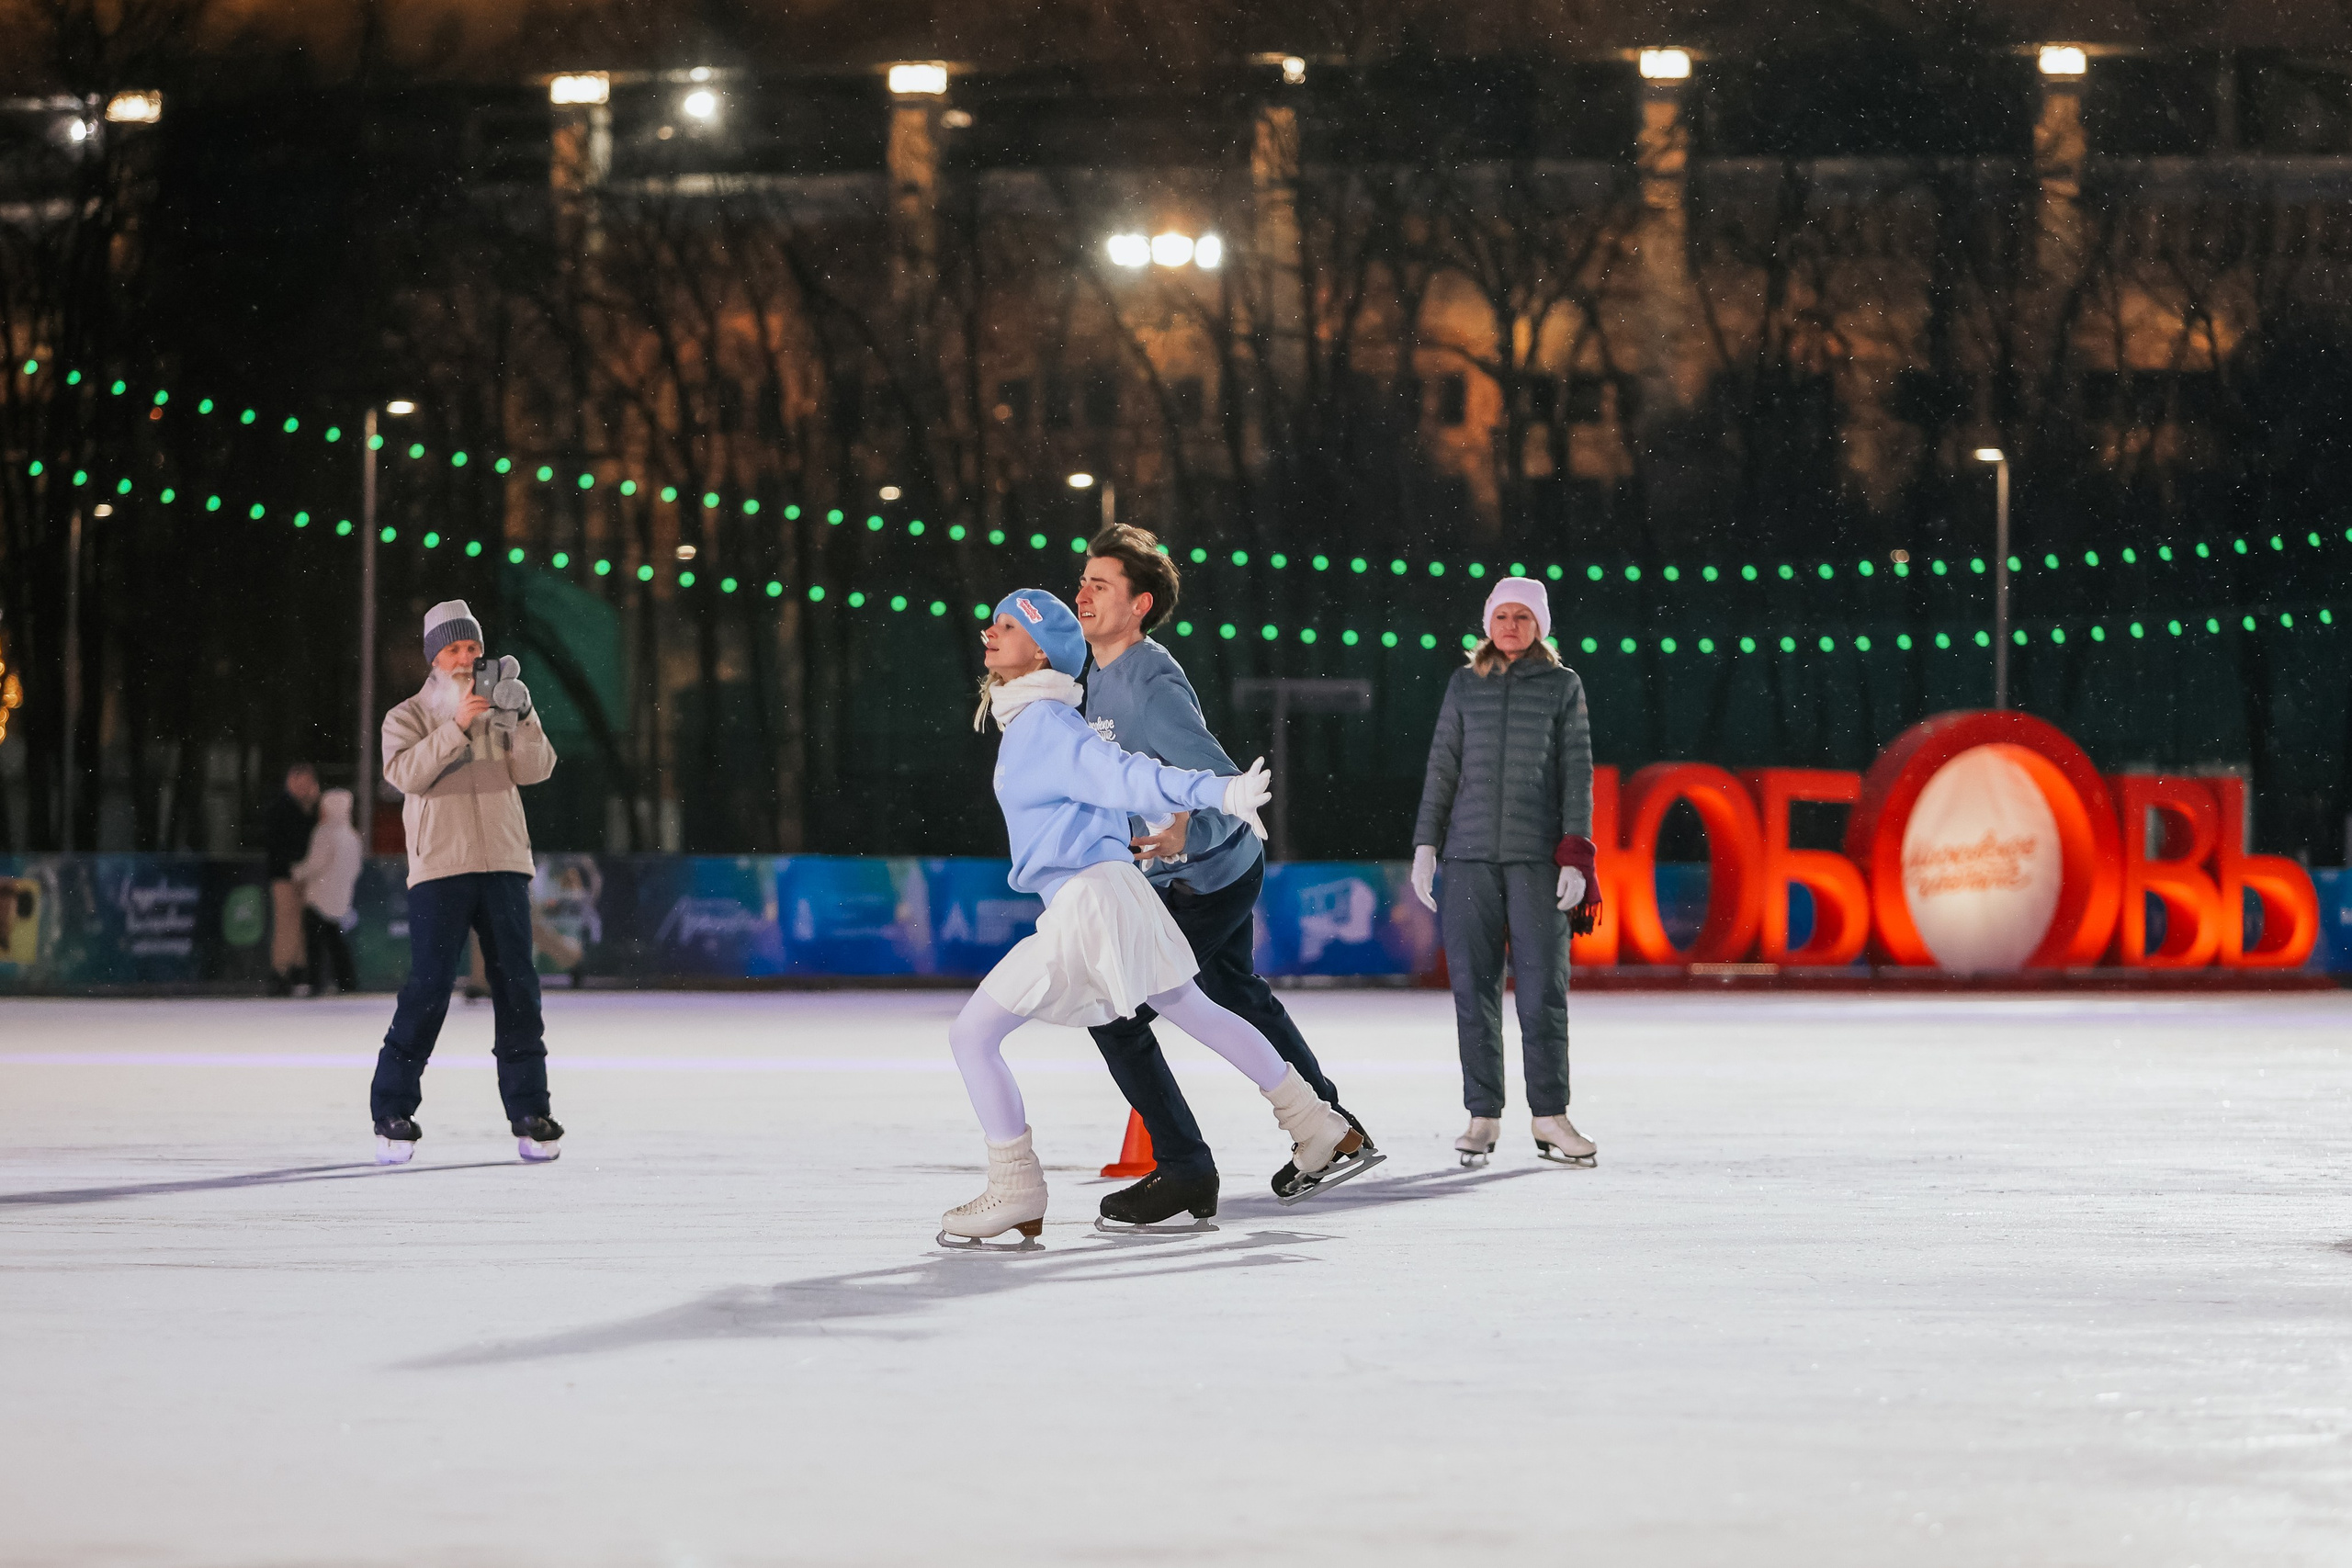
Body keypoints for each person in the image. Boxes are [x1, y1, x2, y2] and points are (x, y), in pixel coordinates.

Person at [939, 587, 1368, 1249]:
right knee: (1198, 1011)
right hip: (1112, 895)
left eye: (1006, 625)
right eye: (991, 622)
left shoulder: (1046, 725)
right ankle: (1315, 1123)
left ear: (1042, 648)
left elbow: (1128, 775)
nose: (988, 633)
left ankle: (1016, 1184)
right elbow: (1114, 787)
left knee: (973, 1035)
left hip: (1089, 904)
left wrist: (1216, 791)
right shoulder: (1039, 720)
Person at [1072, 525, 1381, 1224]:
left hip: (1209, 870)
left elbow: (1222, 782)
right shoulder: (1093, 674)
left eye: (1101, 584)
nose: (1083, 593)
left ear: (1140, 604)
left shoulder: (1150, 682)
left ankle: (1186, 1167)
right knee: (1235, 991)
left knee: (1116, 1014)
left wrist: (1189, 823)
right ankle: (1331, 1125)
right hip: (1191, 875)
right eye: (1084, 579)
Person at [1408, 576, 1602, 1168]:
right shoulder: (1465, 685)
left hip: (1537, 861)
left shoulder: (1562, 687)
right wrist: (1426, 844)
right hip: (1467, 859)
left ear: (1539, 625)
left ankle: (1551, 1117)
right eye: (1502, 616)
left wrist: (1575, 853)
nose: (1511, 625)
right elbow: (1442, 765)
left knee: (1544, 989)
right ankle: (1483, 1116)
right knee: (1475, 990)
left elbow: (1577, 771)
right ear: (1487, 623)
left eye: (1523, 616)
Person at [368, 600, 563, 1166]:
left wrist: (523, 717)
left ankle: (530, 1111)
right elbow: (402, 774)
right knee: (429, 989)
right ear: (434, 658)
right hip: (441, 867)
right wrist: (455, 727)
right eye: (454, 649)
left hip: (502, 862)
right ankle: (392, 1109)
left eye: (472, 648)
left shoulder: (502, 711)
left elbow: (536, 769)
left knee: (517, 989)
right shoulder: (407, 716)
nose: (466, 658)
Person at [291, 787, 363, 994]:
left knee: (316, 943)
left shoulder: (324, 833)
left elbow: (315, 864)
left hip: (319, 896)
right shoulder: (352, 836)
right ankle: (347, 981)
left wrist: (296, 872)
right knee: (335, 940)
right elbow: (356, 868)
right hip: (341, 896)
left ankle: (316, 982)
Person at [264, 763, 320, 995]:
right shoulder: (283, 808)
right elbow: (281, 844)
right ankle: (281, 973)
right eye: (300, 782)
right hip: (285, 875)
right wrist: (292, 867)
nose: (304, 787)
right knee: (287, 923)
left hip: (303, 874)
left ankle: (297, 971)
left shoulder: (308, 808)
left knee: (300, 925)